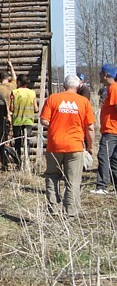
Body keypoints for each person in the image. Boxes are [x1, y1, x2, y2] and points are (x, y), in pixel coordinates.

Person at [40, 75, 94, 217]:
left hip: (55, 145)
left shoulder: (53, 98)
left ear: (64, 85)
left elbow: (43, 120)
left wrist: (55, 124)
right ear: (78, 87)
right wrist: (90, 147)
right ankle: (70, 212)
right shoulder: (84, 102)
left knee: (52, 176)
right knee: (73, 180)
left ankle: (53, 209)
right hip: (75, 146)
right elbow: (90, 128)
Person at [92, 64, 117, 195]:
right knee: (113, 159)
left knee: (104, 156)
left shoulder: (113, 88)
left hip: (111, 130)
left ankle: (102, 186)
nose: (100, 76)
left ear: (106, 75)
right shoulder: (112, 88)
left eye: (101, 73)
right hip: (112, 130)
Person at [10, 74, 39, 165]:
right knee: (27, 142)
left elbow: (11, 108)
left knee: (17, 143)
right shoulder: (32, 93)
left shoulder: (14, 92)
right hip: (28, 120)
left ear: (18, 82)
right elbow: (36, 109)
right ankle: (27, 161)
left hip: (17, 121)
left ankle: (18, 162)